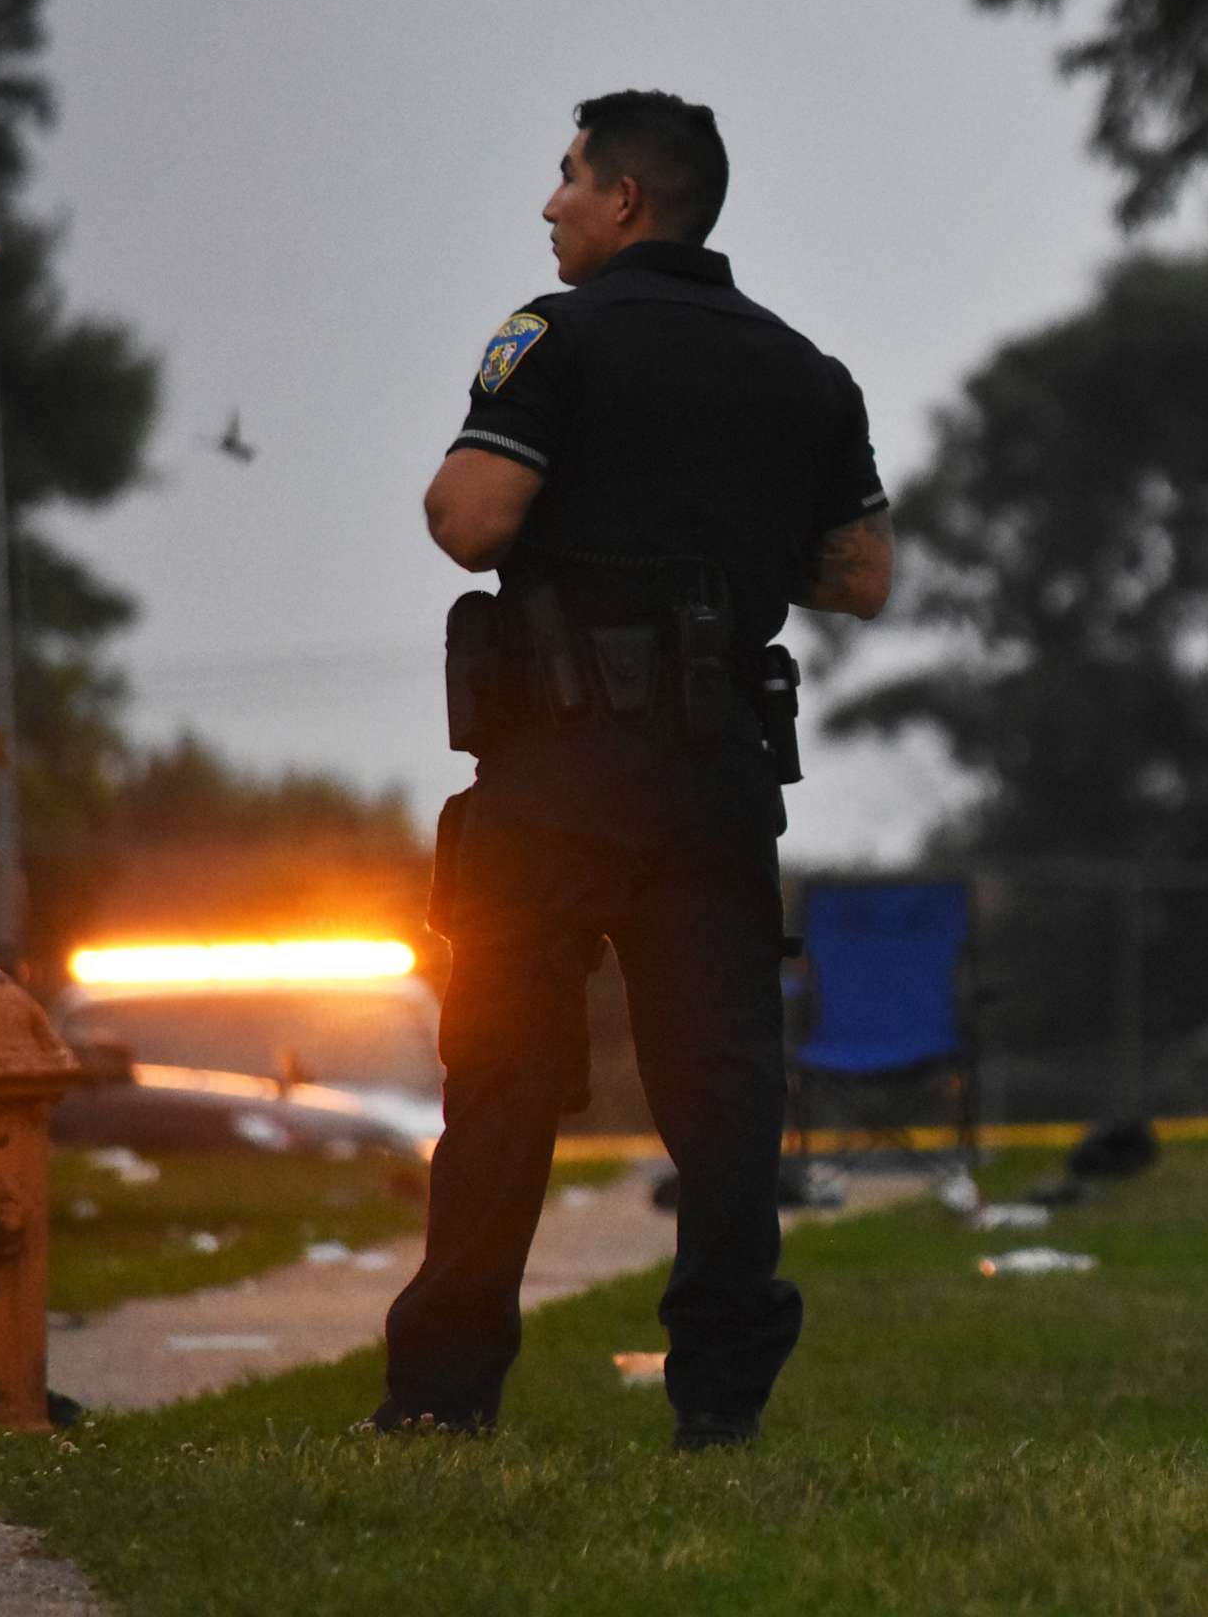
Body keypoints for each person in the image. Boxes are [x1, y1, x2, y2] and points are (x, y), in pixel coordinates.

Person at [367, 90, 893, 1451]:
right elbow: (862, 576)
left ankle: (440, 1396)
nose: (549, 205)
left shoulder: (556, 335)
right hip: (716, 783)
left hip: (554, 774)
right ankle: (718, 1408)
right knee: (724, 1102)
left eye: (567, 180)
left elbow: (472, 518)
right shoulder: (805, 370)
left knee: (500, 1080)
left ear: (626, 203)